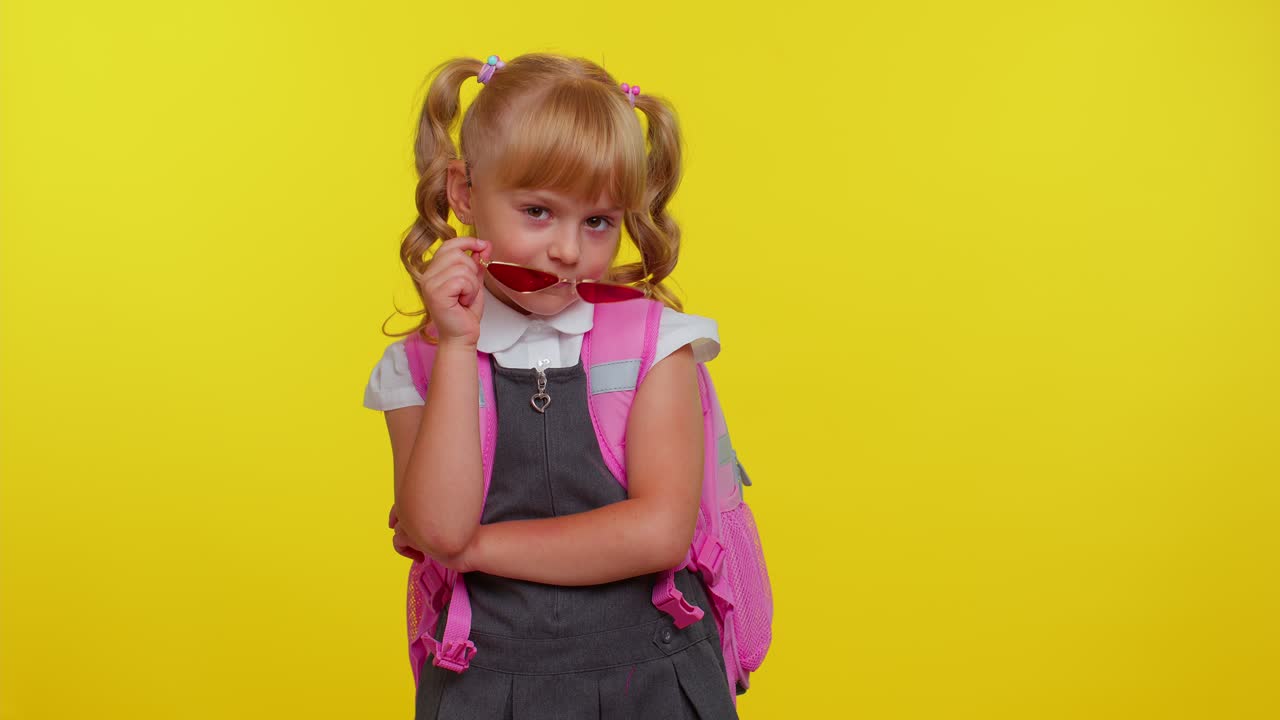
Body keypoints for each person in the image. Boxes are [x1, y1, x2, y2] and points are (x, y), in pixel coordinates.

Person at [363, 52, 739, 719]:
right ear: (463, 193)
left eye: (598, 222)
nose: (568, 250)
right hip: (486, 685)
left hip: (654, 680)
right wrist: (458, 345)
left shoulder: (659, 345)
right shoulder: (417, 366)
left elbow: (659, 533)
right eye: (538, 211)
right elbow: (439, 527)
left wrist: (475, 549)